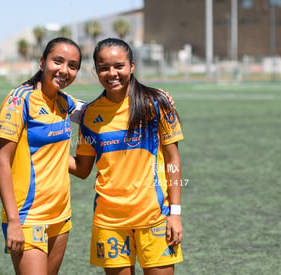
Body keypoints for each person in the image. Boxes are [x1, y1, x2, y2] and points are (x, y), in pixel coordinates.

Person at [69, 38, 184, 275]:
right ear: (96, 71)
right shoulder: (90, 115)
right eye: (104, 68)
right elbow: (81, 170)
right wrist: (50, 151)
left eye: (119, 66)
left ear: (132, 66)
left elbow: (173, 161)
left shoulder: (157, 103)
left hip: (155, 216)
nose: (112, 73)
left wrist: (175, 213)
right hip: (109, 220)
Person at [0, 37, 83, 275]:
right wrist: (13, 221)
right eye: (58, 61)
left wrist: (152, 98)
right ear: (42, 62)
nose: (64, 70)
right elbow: (1, 160)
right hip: (27, 216)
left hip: (61, 215)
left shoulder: (66, 103)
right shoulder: (19, 99)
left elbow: (100, 110)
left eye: (72, 66)